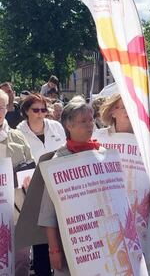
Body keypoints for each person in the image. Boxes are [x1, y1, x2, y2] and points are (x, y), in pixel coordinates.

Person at [94, 94, 150, 274]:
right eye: (123, 107)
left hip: (139, 213)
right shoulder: (99, 139)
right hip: (108, 212)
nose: (128, 111)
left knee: (138, 261)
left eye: (132, 108)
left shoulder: (148, 142)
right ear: (113, 111)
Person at [38, 98, 100, 276]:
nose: (90, 125)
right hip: (71, 246)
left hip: (102, 243)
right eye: (83, 121)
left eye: (91, 120)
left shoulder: (102, 154)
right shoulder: (59, 161)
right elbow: (48, 213)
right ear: (68, 126)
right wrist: (54, 250)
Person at [16, 93, 66, 276]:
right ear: (26, 112)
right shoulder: (19, 132)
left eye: (44, 110)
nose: (40, 114)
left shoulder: (56, 127)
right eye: (35, 110)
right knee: (40, 238)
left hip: (60, 187)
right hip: (35, 190)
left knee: (60, 234)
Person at [0, 89, 34, 276]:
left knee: (21, 262)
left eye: (1, 107)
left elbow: (31, 166)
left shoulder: (18, 137)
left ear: (7, 109)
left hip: (17, 210)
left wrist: (27, 178)